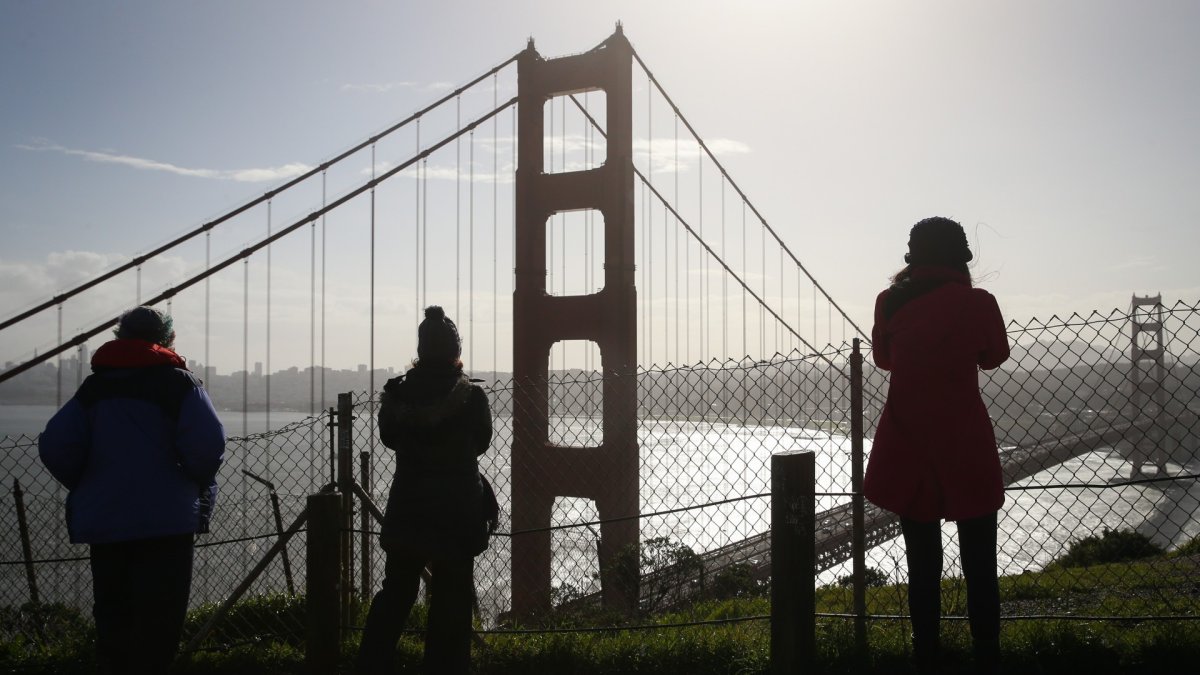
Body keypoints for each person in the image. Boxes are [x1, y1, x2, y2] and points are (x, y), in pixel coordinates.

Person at [39, 306, 226, 674]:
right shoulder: (179, 383)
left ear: (119, 338)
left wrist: (90, 483)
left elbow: (56, 446)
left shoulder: (94, 389)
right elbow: (208, 447)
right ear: (168, 340)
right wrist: (188, 482)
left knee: (113, 621)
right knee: (160, 625)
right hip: (167, 524)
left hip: (106, 522)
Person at [863, 217, 1010, 674]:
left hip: (909, 443)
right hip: (965, 442)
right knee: (980, 562)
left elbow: (884, 360)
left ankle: (925, 654)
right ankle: (986, 654)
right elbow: (995, 357)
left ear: (913, 257)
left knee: (922, 561)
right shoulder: (978, 303)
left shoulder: (889, 302)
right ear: (961, 257)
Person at [357, 305, 494, 675]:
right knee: (452, 598)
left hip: (409, 508)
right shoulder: (473, 398)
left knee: (396, 592)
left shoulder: (397, 396)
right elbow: (481, 443)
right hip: (458, 512)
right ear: (455, 350)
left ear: (420, 349)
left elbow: (388, 437)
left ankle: (371, 663)